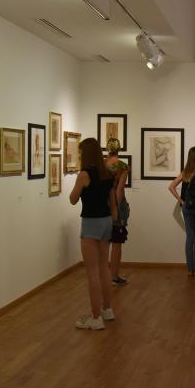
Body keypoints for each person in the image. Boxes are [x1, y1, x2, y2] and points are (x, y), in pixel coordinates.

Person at [69, 138, 117, 330]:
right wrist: (114, 217)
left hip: (90, 223)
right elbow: (112, 198)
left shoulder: (84, 174)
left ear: (85, 154)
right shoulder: (106, 172)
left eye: (80, 153)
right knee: (104, 268)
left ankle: (96, 318)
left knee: (92, 273)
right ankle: (107, 309)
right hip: (106, 221)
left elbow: (73, 199)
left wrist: (79, 184)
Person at [169, 146, 195, 276]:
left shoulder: (186, 172)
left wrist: (182, 201)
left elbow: (171, 186)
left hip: (187, 208)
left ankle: (190, 269)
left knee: (190, 237)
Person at [104, 139, 130, 285]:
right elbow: (119, 189)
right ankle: (114, 276)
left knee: (103, 242)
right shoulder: (122, 166)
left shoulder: (102, 164)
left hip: (103, 204)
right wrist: (117, 208)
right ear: (119, 149)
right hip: (116, 204)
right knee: (117, 243)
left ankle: (103, 276)